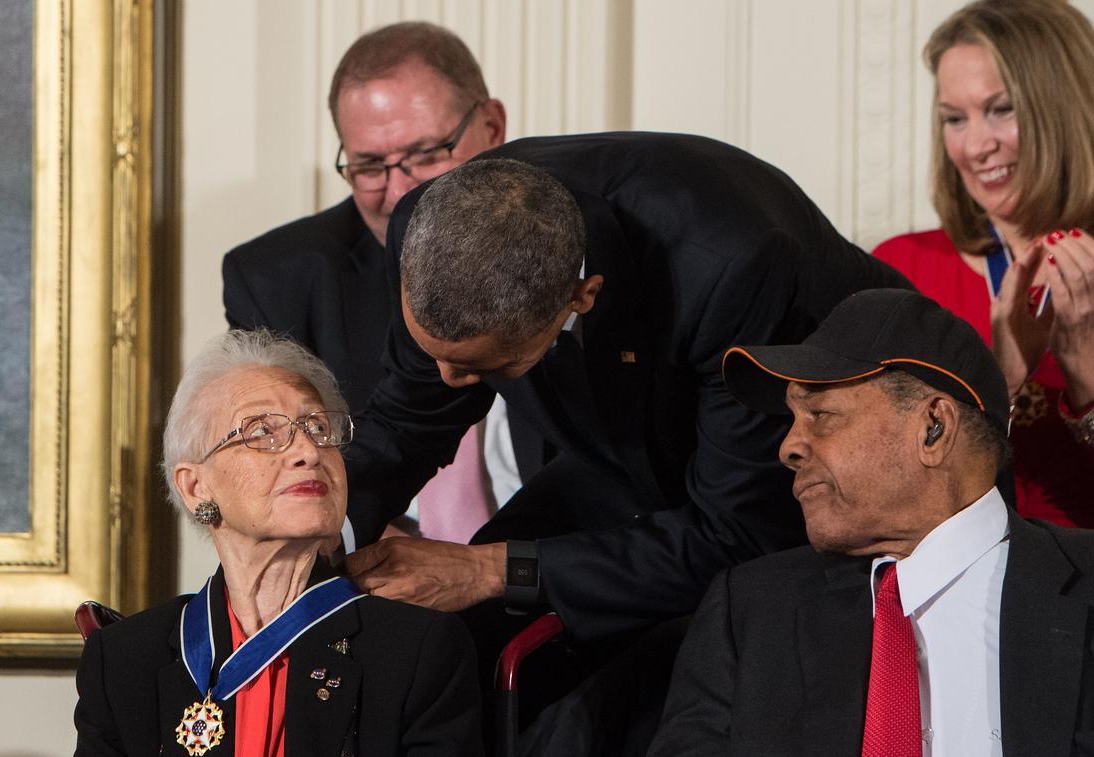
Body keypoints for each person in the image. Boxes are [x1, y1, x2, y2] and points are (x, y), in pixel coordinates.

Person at [339, 134, 911, 719]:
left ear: (582, 297)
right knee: (445, 643)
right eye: (431, 350)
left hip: (829, 470)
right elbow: (407, 418)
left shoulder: (731, 262)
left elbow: (733, 534)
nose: (445, 377)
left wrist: (491, 568)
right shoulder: (428, 228)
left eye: (485, 367)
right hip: (625, 453)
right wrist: (320, 531)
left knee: (631, 700)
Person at [648, 288, 1094, 757]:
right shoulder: (749, 614)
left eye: (820, 415)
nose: (788, 448)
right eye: (792, 420)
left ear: (933, 428)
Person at [73, 330, 482, 756]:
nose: (307, 450)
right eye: (261, 431)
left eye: (319, 428)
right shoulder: (122, 660)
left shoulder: (418, 652)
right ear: (196, 487)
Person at [222, 21, 529, 543]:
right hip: (378, 582)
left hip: (562, 576)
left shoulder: (569, 239)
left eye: (427, 155)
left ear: (492, 127)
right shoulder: (278, 279)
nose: (399, 195)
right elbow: (268, 481)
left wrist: (491, 573)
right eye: (369, 166)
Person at [873, 0, 1094, 527]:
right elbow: (874, 486)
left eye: (1002, 109)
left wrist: (1087, 377)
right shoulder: (903, 269)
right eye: (955, 118)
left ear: (1062, 109)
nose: (977, 146)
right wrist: (997, 385)